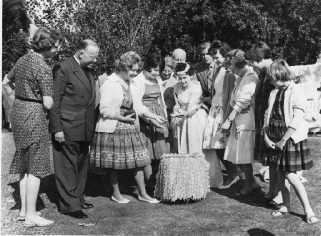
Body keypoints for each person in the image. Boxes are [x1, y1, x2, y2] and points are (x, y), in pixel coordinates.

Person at [2, 27, 62, 227]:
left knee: (24, 165)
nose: (57, 49)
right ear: (47, 45)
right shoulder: (43, 67)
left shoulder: (22, 59)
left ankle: (23, 211)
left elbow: (5, 82)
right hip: (34, 114)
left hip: (18, 110)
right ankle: (31, 217)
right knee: (35, 168)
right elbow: (47, 103)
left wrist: (14, 99)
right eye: (55, 45)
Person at [90, 51, 159, 204]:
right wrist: (122, 118)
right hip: (112, 127)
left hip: (130, 126)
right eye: (132, 69)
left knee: (139, 160)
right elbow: (104, 109)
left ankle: (142, 194)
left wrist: (153, 116)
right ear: (123, 67)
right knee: (113, 163)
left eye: (137, 70)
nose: (135, 73)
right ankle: (116, 194)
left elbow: (138, 106)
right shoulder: (110, 83)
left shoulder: (132, 83)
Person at [264, 60, 319, 224]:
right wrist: (267, 137)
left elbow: (297, 118)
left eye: (273, 78)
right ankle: (285, 206)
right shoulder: (274, 92)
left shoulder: (296, 91)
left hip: (290, 137)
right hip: (274, 137)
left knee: (291, 175)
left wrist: (283, 139)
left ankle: (308, 210)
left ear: (281, 75)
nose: (272, 82)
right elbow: (268, 115)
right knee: (280, 173)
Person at [49, 39, 99, 219]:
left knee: (81, 165)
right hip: (67, 126)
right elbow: (55, 101)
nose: (95, 60)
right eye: (92, 57)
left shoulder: (89, 70)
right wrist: (57, 128)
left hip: (85, 126)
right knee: (67, 167)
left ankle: (78, 198)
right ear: (80, 53)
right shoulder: (63, 68)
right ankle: (70, 206)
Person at [222, 49, 260, 196]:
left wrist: (229, 119)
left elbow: (243, 102)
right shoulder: (240, 78)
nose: (230, 70)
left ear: (238, 64)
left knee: (244, 155)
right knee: (240, 156)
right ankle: (251, 183)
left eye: (231, 67)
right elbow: (234, 100)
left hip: (246, 121)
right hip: (239, 120)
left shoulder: (250, 77)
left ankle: (250, 184)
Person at [203, 41, 240, 189]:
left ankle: (234, 174)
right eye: (214, 56)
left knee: (221, 145)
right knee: (215, 145)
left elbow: (231, 97)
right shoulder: (218, 70)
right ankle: (235, 173)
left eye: (217, 56)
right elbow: (216, 93)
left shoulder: (231, 73)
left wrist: (228, 118)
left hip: (224, 112)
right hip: (215, 111)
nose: (215, 59)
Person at [132, 53, 170, 189]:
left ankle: (158, 181)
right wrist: (151, 118)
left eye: (158, 70)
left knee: (160, 151)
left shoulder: (157, 80)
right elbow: (137, 106)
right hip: (144, 119)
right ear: (146, 67)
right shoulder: (137, 81)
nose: (156, 73)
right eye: (154, 70)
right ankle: (149, 185)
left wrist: (163, 116)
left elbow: (161, 100)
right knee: (147, 152)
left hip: (158, 116)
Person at [159, 57, 177, 152]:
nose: (166, 73)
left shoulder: (174, 83)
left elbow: (171, 101)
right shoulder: (155, 79)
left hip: (167, 115)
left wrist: (159, 107)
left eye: (169, 71)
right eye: (164, 71)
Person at [195, 42, 218, 113]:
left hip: (219, 104)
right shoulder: (198, 69)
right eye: (203, 54)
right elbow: (195, 87)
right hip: (204, 106)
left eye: (208, 54)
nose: (205, 57)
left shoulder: (221, 67)